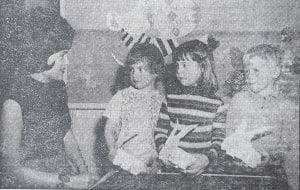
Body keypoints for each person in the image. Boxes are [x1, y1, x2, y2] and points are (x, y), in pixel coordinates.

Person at [0, 7, 98, 189]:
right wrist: (69, 181)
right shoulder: (13, 103)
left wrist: (85, 173)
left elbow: (66, 135)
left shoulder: (58, 89)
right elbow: (11, 169)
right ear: (44, 54)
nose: (67, 63)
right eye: (63, 55)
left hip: (62, 177)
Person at [225, 44, 299, 190]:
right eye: (247, 71)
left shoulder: (287, 106)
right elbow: (229, 139)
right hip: (241, 175)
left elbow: (290, 147)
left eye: (256, 70)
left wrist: (271, 156)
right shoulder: (239, 100)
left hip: (274, 176)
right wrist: (239, 153)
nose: (249, 76)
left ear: (275, 72)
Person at [154, 38, 226, 175]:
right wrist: (163, 150)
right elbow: (160, 131)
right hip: (172, 172)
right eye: (177, 66)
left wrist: (206, 159)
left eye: (185, 65)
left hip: (203, 171)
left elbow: (219, 140)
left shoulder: (217, 105)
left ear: (203, 67)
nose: (179, 71)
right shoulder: (169, 100)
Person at [103, 42, 165, 174]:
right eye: (132, 69)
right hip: (125, 161)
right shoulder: (122, 96)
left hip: (152, 163)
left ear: (155, 71)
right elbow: (109, 128)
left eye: (140, 69)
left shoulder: (162, 100)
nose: (134, 75)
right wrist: (112, 150)